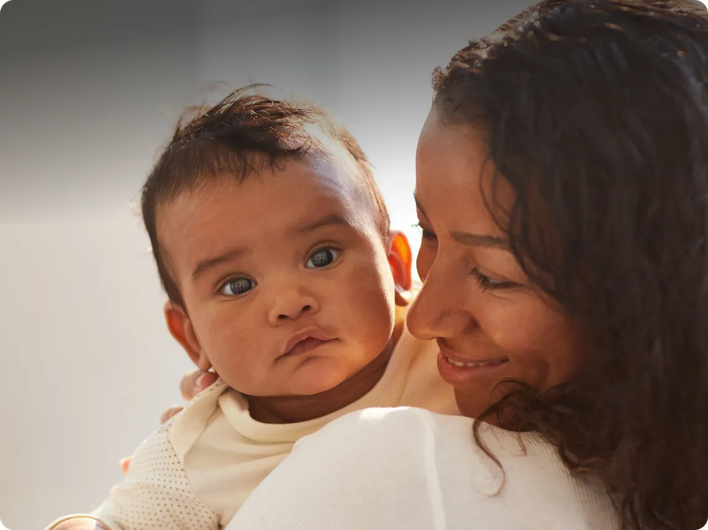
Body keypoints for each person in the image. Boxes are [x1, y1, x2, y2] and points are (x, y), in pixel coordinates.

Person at [179, 1, 708, 529]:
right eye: (427, 231)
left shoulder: (391, 460)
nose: (423, 318)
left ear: (654, 300)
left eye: (494, 275)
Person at [44, 89, 458, 530]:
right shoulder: (195, 452)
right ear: (192, 338)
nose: (288, 303)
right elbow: (114, 524)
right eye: (237, 285)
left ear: (394, 265)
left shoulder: (450, 344)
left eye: (322, 257)